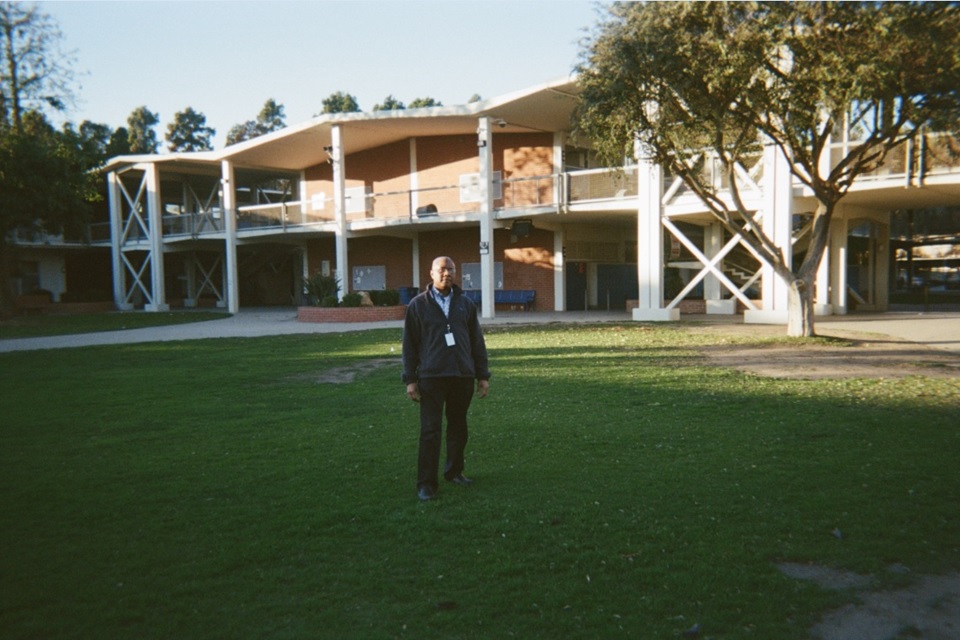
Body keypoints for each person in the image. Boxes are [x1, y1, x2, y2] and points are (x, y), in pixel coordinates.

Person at [402, 256, 490, 501]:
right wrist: (410, 379)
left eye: (451, 269)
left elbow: (477, 342)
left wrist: (482, 375)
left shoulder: (466, 304)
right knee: (430, 430)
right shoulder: (418, 305)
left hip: (462, 375)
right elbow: (409, 345)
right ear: (431, 273)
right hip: (432, 377)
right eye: (442, 270)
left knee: (458, 427)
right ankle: (426, 484)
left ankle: (454, 471)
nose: (447, 274)